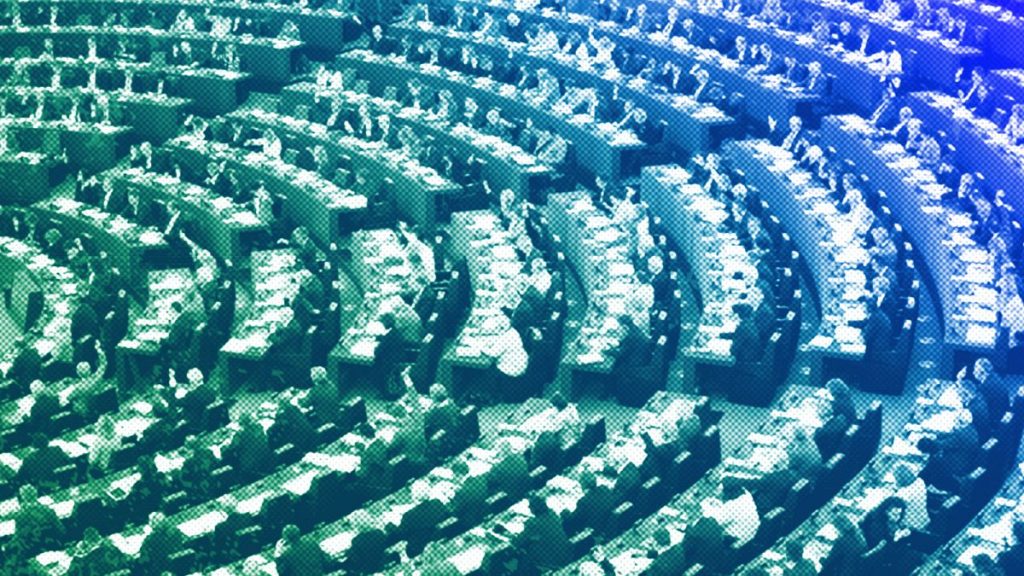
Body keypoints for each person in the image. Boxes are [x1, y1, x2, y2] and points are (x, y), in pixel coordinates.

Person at [516, 494, 572, 570]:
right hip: (568, 554)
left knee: (526, 548)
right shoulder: (553, 515)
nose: (529, 508)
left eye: (530, 506)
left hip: (553, 562)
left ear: (534, 508)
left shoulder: (533, 524)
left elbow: (518, 542)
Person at [10, 485, 64, 558]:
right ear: (36, 495)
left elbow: (18, 536)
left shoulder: (21, 515)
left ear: (23, 498)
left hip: (33, 551)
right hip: (53, 546)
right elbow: (61, 530)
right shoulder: (48, 510)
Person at [225, 413, 274, 480]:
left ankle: (237, 477)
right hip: (267, 457)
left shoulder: (240, 433)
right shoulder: (260, 426)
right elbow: (265, 439)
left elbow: (232, 447)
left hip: (250, 464)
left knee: (230, 455)